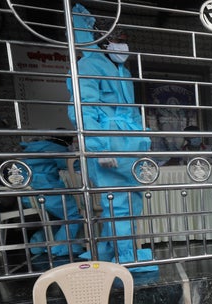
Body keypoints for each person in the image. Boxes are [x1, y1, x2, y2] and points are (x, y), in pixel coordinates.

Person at [67, 4, 155, 269]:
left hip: (129, 148)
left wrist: (145, 144)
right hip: (109, 148)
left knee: (130, 203)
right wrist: (97, 148)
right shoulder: (88, 66)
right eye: (118, 40)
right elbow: (83, 111)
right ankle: (126, 258)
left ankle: (107, 252)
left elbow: (130, 113)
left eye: (124, 40)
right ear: (103, 40)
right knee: (118, 205)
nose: (122, 45)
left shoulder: (122, 71)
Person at [20, 135, 84, 256]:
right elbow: (72, 164)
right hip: (46, 191)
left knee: (56, 219)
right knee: (73, 215)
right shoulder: (55, 148)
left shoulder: (31, 148)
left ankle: (37, 246)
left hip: (27, 195)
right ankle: (61, 247)